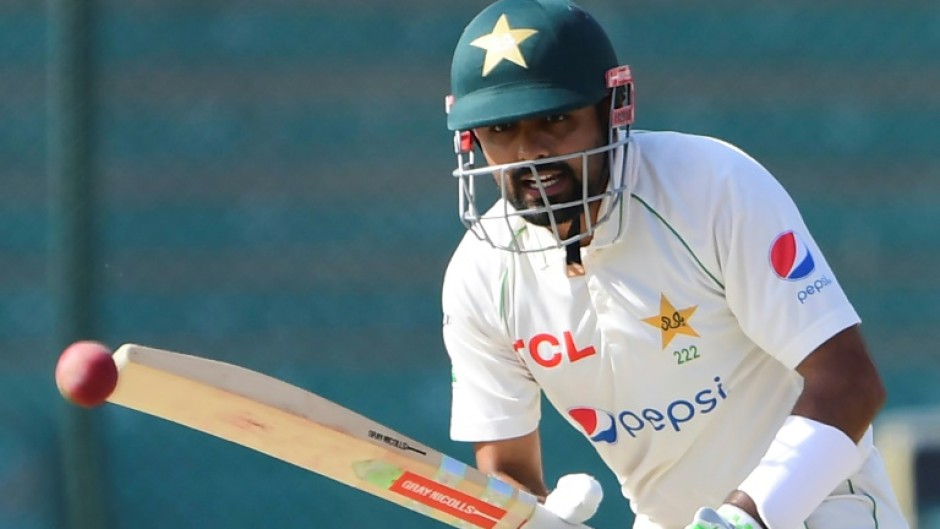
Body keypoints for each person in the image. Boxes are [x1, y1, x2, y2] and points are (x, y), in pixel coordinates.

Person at [439, 1, 911, 529]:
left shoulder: (710, 187)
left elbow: (851, 384)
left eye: (555, 118)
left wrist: (739, 521)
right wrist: (531, 516)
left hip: (820, 508)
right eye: (502, 129)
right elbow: (508, 469)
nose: (532, 154)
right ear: (472, 140)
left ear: (613, 106)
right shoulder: (480, 276)